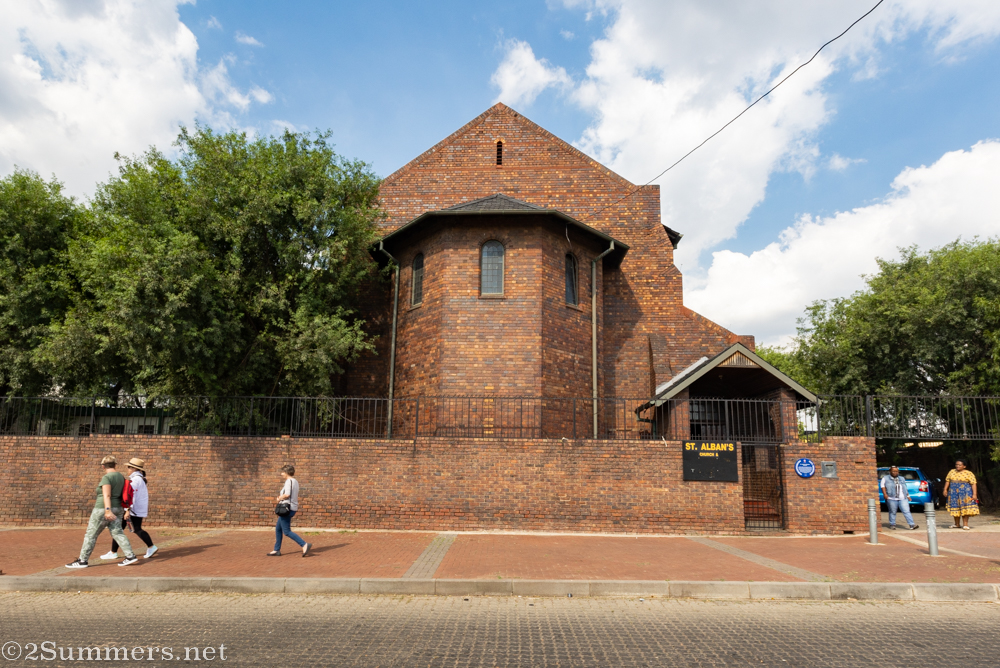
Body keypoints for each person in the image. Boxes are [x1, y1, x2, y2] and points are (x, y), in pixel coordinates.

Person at [65, 455, 138, 568]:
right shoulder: (121, 477)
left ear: (103, 466)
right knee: (117, 532)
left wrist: (107, 510)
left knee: (91, 535)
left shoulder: (107, 478)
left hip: (102, 509)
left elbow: (107, 495)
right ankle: (130, 556)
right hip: (118, 508)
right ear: (115, 465)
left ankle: (82, 561)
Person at [101, 458, 158, 560]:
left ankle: (151, 546)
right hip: (135, 509)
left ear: (133, 468)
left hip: (134, 510)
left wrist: (127, 510)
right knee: (119, 529)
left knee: (135, 529)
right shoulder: (139, 479)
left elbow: (132, 496)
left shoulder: (136, 480)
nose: (127, 469)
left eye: (129, 467)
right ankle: (113, 552)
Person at [267, 464, 311, 557]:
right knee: (278, 529)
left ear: (287, 472)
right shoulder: (295, 481)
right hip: (291, 507)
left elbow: (287, 494)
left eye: (282, 472)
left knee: (286, 531)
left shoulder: (289, 481)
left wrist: (279, 498)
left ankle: (304, 544)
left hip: (287, 508)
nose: (281, 474)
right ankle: (276, 550)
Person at [943, 459, 979, 530]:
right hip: (953, 492)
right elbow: (947, 481)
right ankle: (957, 524)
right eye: (956, 465)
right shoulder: (951, 472)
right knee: (955, 507)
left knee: (965, 507)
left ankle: (965, 524)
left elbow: (973, 483)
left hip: (965, 493)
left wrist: (974, 494)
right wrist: (945, 489)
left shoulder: (969, 473)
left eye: (960, 465)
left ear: (964, 466)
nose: (957, 466)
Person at [880, 466, 918, 530]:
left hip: (903, 498)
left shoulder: (902, 478)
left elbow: (904, 487)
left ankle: (912, 524)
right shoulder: (885, 478)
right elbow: (882, 486)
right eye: (894, 471)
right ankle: (892, 524)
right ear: (890, 471)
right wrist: (885, 494)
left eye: (897, 471)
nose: (895, 473)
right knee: (892, 511)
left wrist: (908, 496)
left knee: (906, 511)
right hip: (891, 498)